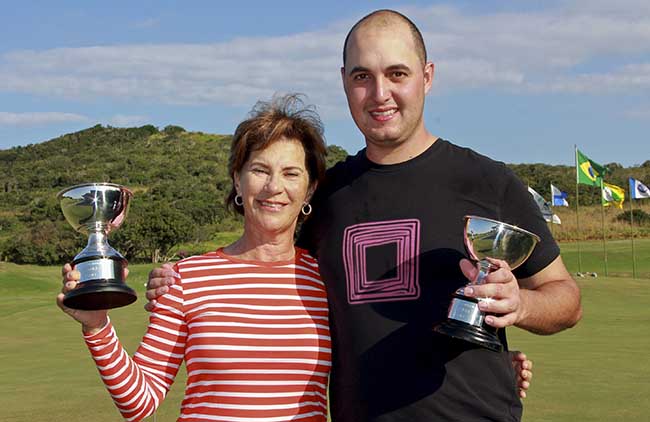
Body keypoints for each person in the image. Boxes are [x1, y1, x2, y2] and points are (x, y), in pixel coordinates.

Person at [145, 10, 560, 421]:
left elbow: (564, 297)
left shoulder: (487, 181)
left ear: (427, 76)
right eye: (363, 77)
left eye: (397, 74)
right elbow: (269, 273)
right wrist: (179, 281)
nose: (380, 93)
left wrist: (519, 306)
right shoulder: (327, 195)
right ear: (345, 82)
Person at [58, 94, 332, 422]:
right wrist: (97, 325)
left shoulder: (328, 279)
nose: (274, 186)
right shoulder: (186, 278)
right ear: (237, 180)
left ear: (310, 189)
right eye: (259, 170)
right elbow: (139, 403)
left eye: (291, 173)